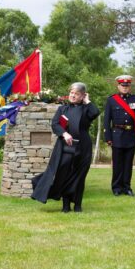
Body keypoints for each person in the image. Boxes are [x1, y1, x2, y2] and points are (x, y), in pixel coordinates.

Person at [31, 82, 100, 212]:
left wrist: (87, 101)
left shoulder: (86, 109)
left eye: (76, 94)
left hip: (83, 146)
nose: (73, 96)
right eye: (71, 93)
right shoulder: (62, 109)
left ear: (82, 96)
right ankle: (66, 206)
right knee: (65, 175)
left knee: (80, 176)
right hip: (65, 146)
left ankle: (78, 205)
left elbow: (95, 112)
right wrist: (64, 133)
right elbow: (55, 124)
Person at [104, 75, 135, 196]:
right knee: (117, 164)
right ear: (118, 86)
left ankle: (127, 187)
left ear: (130, 86)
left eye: (127, 86)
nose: (125, 88)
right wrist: (108, 137)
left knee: (128, 164)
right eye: (123, 86)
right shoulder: (112, 100)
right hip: (117, 135)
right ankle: (116, 187)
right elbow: (107, 120)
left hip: (131, 135)